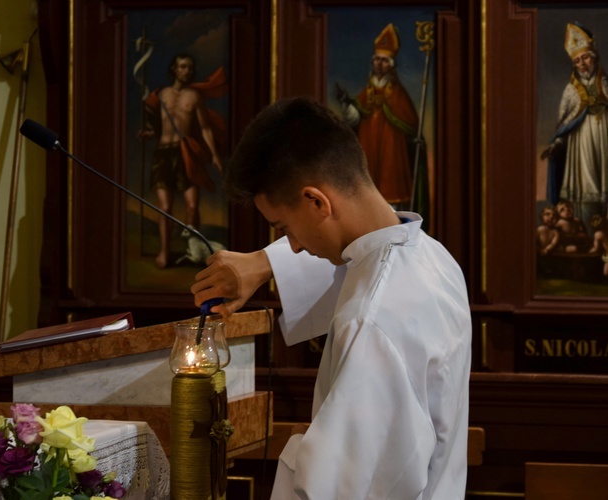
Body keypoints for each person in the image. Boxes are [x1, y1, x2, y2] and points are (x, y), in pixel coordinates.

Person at [191, 96, 471, 498]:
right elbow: (358, 264)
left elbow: (339, 488)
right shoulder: (432, 256)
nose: (296, 246)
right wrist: (262, 263)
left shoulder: (370, 320)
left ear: (316, 200)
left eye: (284, 227)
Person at [140, 53, 227, 268]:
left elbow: (205, 128)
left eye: (189, 67)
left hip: (185, 153)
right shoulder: (160, 95)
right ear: (174, 69)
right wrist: (148, 133)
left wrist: (215, 155)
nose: (186, 71)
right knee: (165, 207)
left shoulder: (194, 97)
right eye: (182, 66)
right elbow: (155, 127)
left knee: (192, 206)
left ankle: (193, 249)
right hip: (163, 153)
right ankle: (164, 252)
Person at [335, 23, 425, 213]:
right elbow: (355, 118)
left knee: (390, 189)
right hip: (368, 145)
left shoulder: (397, 92)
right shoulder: (368, 90)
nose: (379, 64)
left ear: (391, 65)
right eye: (376, 60)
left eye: (384, 61)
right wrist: (346, 103)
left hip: (392, 149)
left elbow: (409, 121)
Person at [541, 22, 608, 229]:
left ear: (594, 57)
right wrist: (558, 143)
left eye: (585, 58)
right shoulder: (571, 91)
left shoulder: (605, 84)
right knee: (585, 186)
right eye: (578, 61)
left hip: (604, 140)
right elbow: (565, 123)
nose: (582, 64)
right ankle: (586, 230)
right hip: (580, 145)